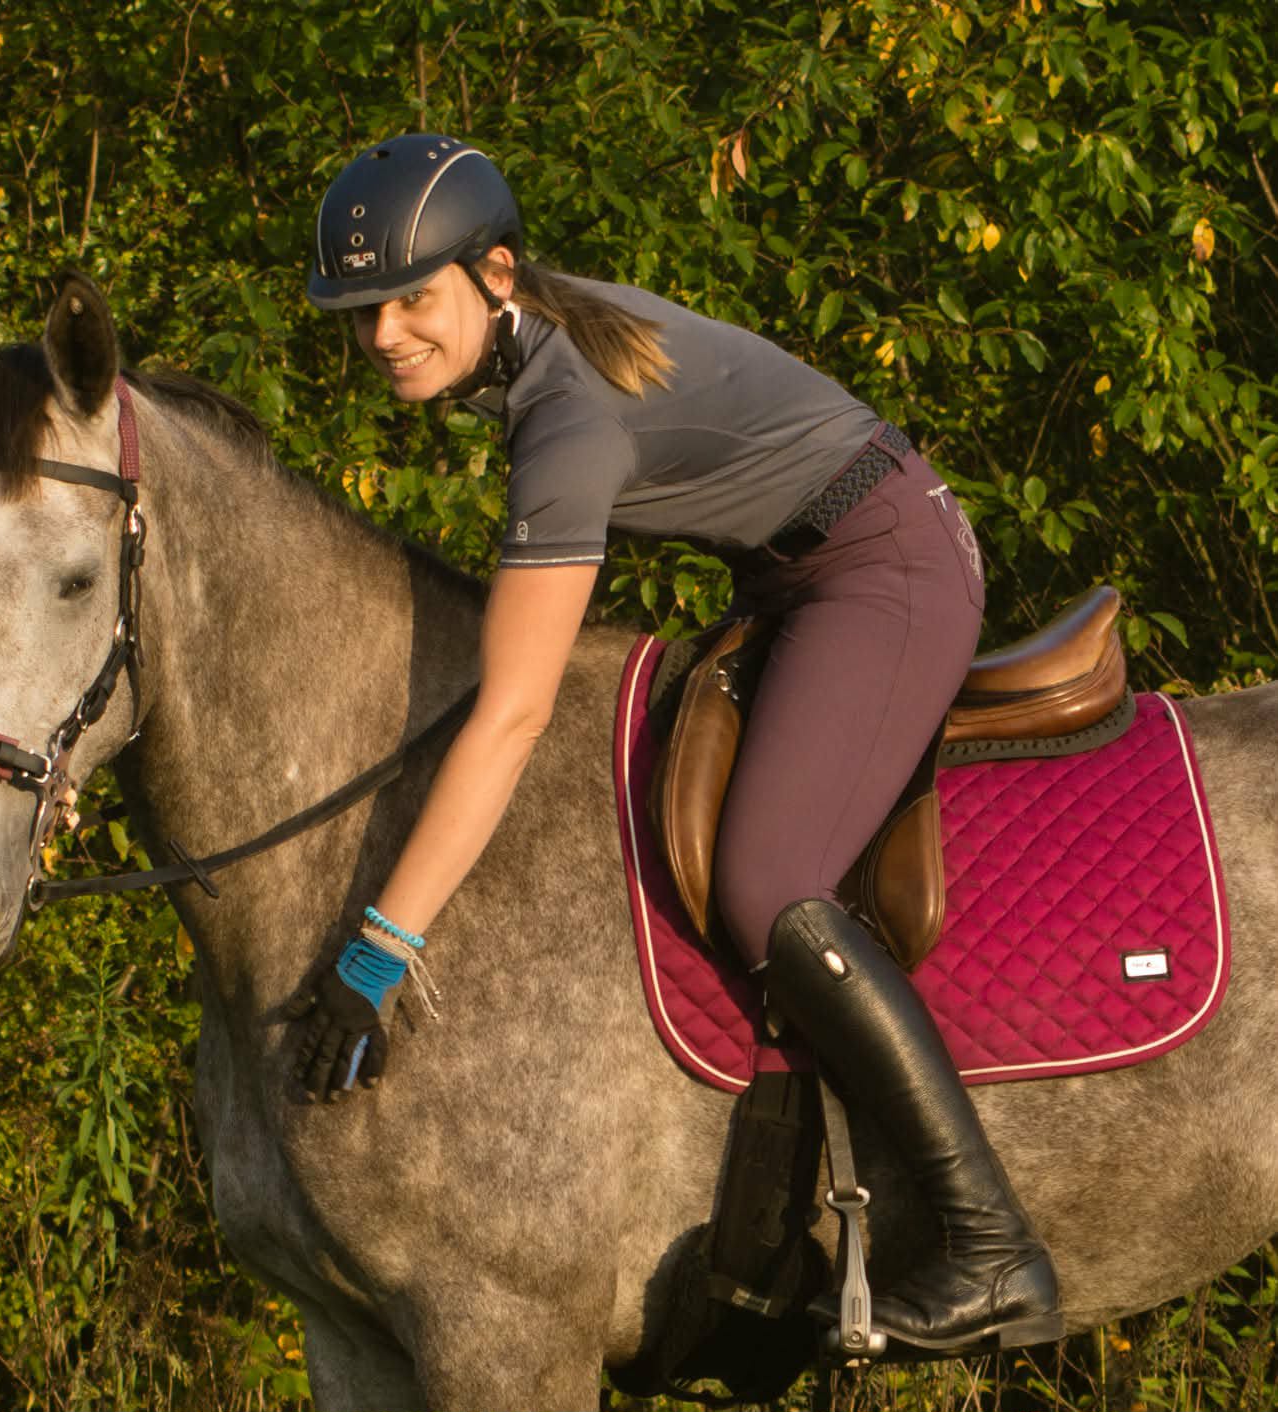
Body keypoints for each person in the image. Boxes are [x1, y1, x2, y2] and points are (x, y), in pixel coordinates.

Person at [286, 132, 1060, 1352]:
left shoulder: (566, 421)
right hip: (794, 574)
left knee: (764, 880)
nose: (383, 334)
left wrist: (380, 951)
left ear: (494, 273)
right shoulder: (542, 333)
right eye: (362, 312)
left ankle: (991, 1245)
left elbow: (514, 714)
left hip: (882, 567)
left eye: (410, 300)